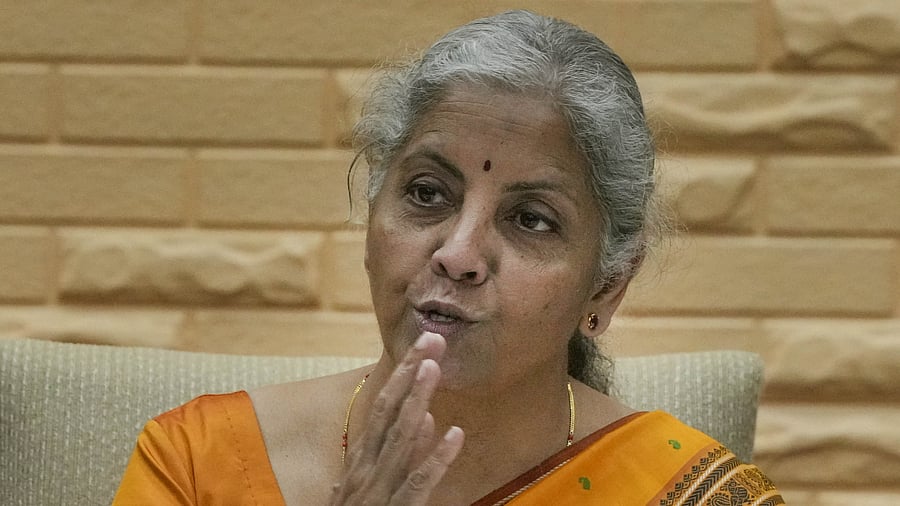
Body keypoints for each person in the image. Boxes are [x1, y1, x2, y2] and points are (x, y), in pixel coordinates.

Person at [113, 10, 784, 505]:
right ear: (373, 211)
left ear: (606, 286)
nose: (459, 254)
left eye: (530, 219)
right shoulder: (198, 465)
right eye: (428, 193)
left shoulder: (690, 494)